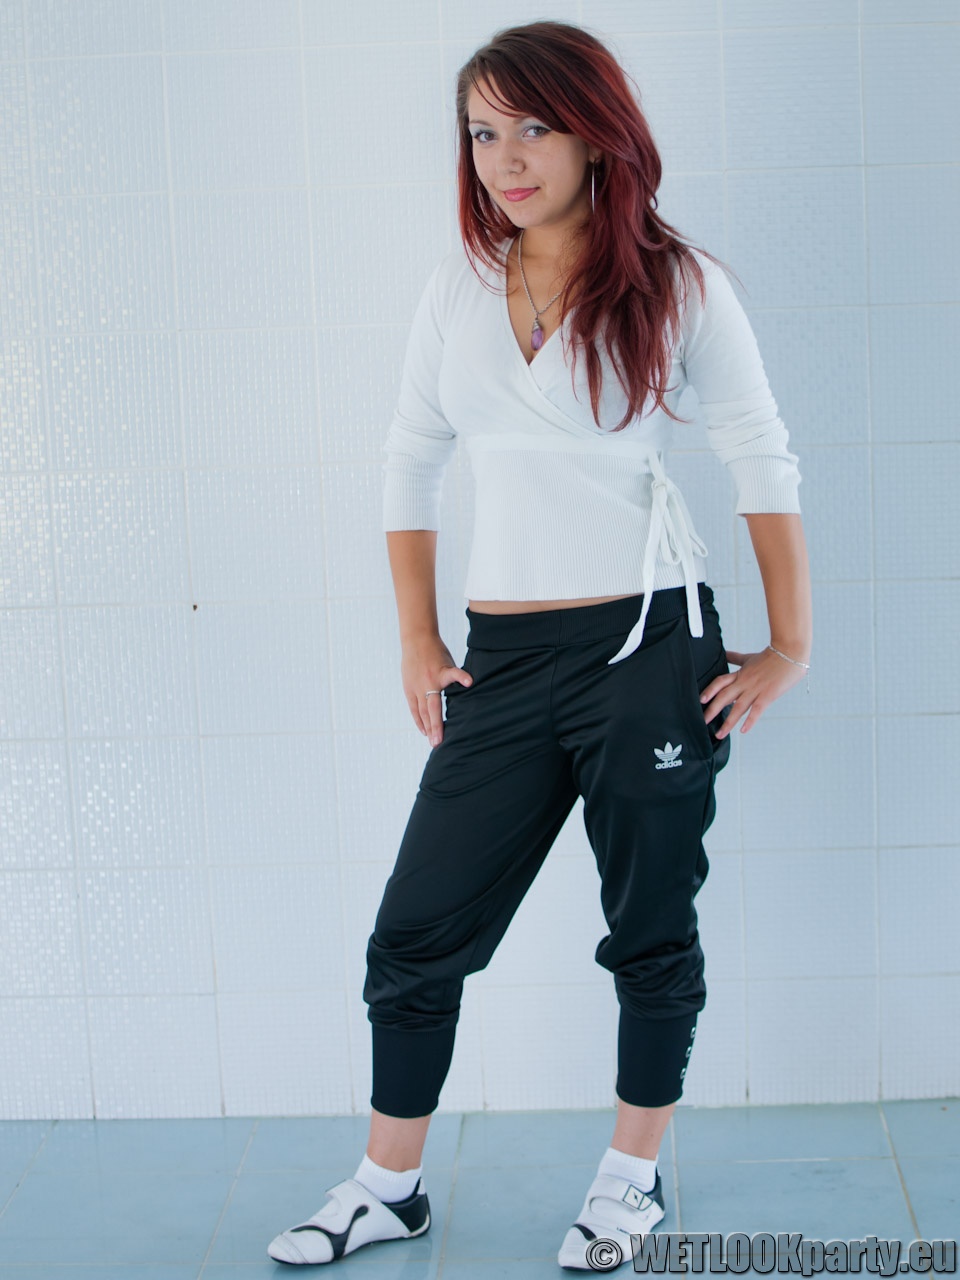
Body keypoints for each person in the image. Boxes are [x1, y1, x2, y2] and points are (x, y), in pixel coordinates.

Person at [268, 18, 812, 1271]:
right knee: (414, 934)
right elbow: (409, 458)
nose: (505, 157)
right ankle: (387, 1184)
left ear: (595, 135)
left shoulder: (679, 283)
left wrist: (789, 643)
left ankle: (631, 1176)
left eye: (533, 126)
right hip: (503, 660)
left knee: (649, 928)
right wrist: (416, 635)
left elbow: (760, 454)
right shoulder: (458, 284)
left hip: (648, 649)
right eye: (481, 131)